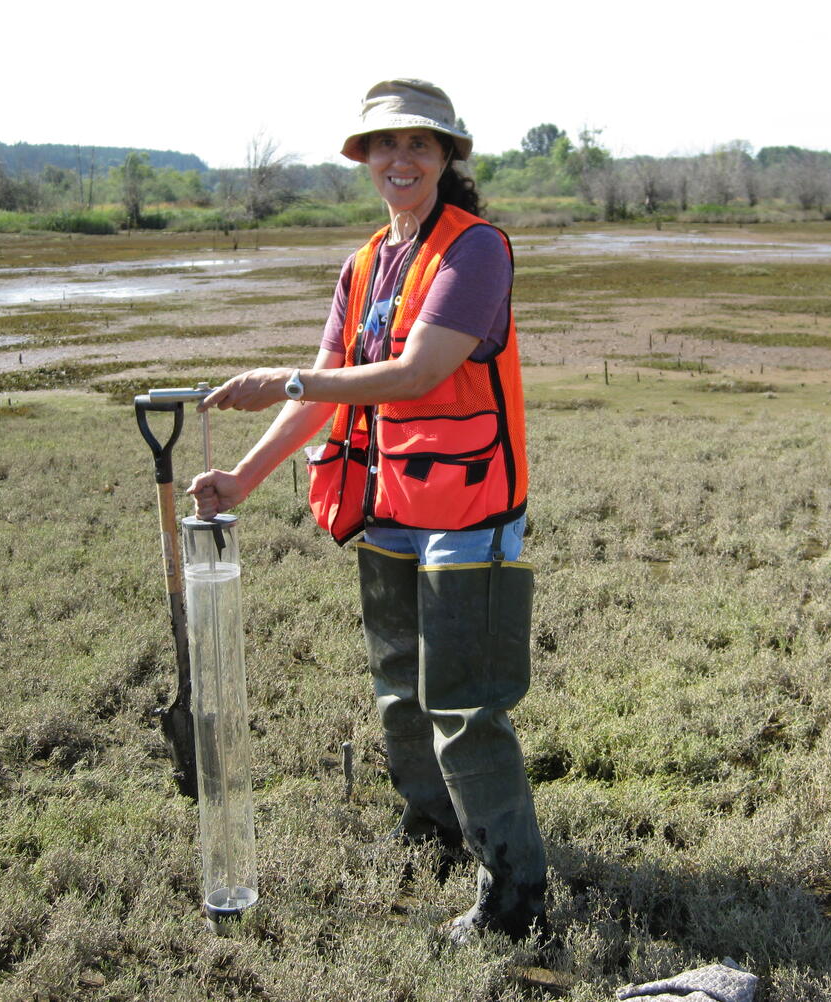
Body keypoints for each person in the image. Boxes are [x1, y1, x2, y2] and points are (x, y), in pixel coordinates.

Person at [188, 79, 547, 944]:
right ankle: (431, 831)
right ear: (364, 160)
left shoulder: (476, 252)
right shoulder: (362, 265)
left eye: (419, 145)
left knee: (465, 709)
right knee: (399, 693)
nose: (401, 159)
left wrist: (288, 378)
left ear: (447, 157)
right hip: (388, 509)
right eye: (385, 146)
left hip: (470, 516)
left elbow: (419, 372)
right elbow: (320, 399)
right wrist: (242, 475)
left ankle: (513, 900)